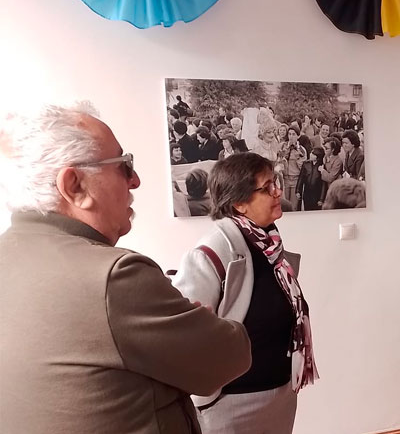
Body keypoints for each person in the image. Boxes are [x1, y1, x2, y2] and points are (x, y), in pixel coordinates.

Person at [0, 102, 251, 433]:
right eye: (123, 165)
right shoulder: (114, 278)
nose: (135, 180)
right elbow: (227, 356)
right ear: (74, 186)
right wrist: (202, 322)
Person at [171, 153, 318, 434]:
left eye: (275, 182)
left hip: (280, 394)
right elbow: (184, 337)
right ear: (239, 203)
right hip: (232, 405)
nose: (278, 192)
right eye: (267, 187)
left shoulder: (268, 244)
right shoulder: (212, 253)